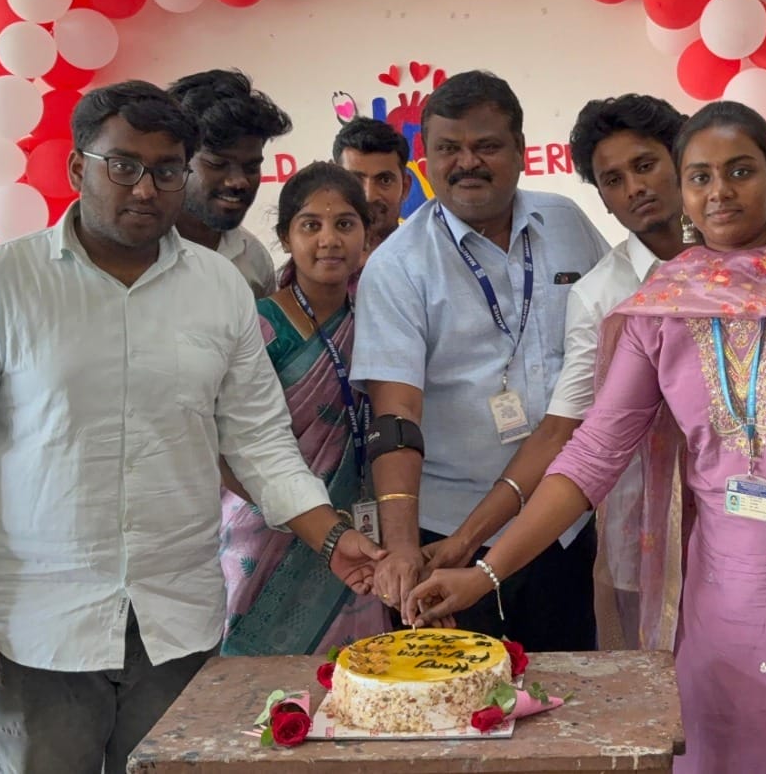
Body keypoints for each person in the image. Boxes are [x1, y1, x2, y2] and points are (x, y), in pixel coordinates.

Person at [407, 101, 766, 774]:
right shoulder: (662, 305)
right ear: (684, 188)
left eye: (740, 171)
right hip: (724, 606)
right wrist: (485, 571)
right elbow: (593, 454)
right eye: (701, 176)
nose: (720, 191)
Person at [0, 81, 382, 774]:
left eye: (166, 170)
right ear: (77, 167)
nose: (146, 189)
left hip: (176, 621)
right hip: (39, 627)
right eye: (123, 166)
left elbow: (259, 440)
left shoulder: (219, 288)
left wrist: (331, 536)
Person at [410, 94, 690, 648]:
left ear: (682, 159)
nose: (634, 188)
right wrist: (473, 552)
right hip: (651, 522)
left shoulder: (759, 263)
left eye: (645, 165)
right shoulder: (606, 296)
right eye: (612, 180)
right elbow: (572, 436)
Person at [351, 70, 610, 650]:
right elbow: (395, 418)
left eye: (486, 145)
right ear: (426, 160)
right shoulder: (398, 266)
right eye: (449, 148)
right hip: (446, 539)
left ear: (520, 150)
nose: (467, 163)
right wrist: (401, 548)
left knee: (564, 691)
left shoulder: (566, 223)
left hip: (561, 526)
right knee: (456, 696)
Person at [218, 163, 394, 657]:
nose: (329, 240)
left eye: (345, 224)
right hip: (264, 529)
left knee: (355, 671)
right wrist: (296, 516)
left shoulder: (379, 321)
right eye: (311, 225)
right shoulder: (257, 325)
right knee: (254, 678)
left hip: (359, 524)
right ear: (285, 237)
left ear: (366, 235)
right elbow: (225, 445)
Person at [169, 69, 292, 298]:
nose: (239, 182)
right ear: (175, 162)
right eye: (217, 164)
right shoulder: (134, 250)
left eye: (251, 167)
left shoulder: (254, 261)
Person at [333, 116, 413, 246]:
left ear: (405, 187)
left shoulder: (430, 257)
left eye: (385, 180)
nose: (369, 196)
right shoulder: (313, 257)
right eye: (355, 180)